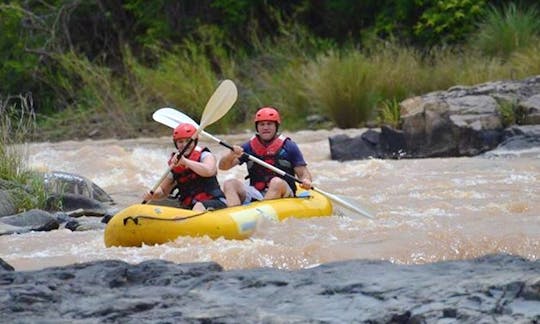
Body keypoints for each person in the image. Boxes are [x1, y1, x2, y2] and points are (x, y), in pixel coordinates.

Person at [218, 106, 313, 206]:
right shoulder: (248, 147)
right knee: (229, 183)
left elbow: (303, 172)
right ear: (257, 127)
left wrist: (306, 180)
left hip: (284, 191)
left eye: (269, 124)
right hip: (256, 191)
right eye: (262, 124)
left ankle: (260, 212)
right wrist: (230, 155)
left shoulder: (289, 146)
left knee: (276, 182)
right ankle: (234, 214)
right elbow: (223, 167)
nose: (265, 127)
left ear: (276, 126)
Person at [143, 123, 227, 211]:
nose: (184, 144)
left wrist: (186, 162)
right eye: (180, 142)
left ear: (195, 142)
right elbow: (163, 191)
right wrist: (154, 194)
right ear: (176, 144)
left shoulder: (205, 155)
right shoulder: (175, 164)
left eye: (188, 141)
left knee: (198, 207)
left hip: (215, 201)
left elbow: (209, 171)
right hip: (188, 206)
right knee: (154, 205)